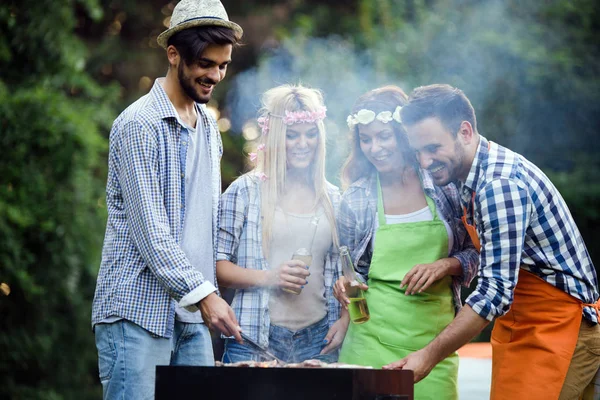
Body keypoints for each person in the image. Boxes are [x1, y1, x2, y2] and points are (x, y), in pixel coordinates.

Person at [388, 83, 600, 400]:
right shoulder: (469, 176)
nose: (424, 161)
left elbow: (495, 291)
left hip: (560, 328)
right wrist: (450, 263)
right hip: (524, 325)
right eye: (417, 151)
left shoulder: (498, 186)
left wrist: (428, 356)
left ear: (465, 131)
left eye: (433, 148)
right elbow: (490, 251)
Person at [91, 0, 243, 398]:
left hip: (192, 317)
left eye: (222, 65)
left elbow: (206, 221)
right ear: (173, 55)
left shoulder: (210, 128)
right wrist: (207, 296)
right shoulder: (137, 125)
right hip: (137, 314)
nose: (215, 75)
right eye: (205, 63)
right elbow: (152, 234)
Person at [333, 86, 479, 400]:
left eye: (384, 136)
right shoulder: (356, 198)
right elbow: (349, 270)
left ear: (404, 134)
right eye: (366, 139)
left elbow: (477, 254)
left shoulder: (446, 187)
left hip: (435, 346)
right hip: (368, 343)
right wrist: (344, 286)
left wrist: (446, 265)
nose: (375, 148)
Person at [216, 84, 348, 363]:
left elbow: (349, 273)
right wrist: (271, 277)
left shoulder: (334, 199)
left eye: (311, 134)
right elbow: (216, 267)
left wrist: (345, 320)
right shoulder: (245, 191)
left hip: (319, 342)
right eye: (292, 135)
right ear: (276, 137)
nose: (303, 144)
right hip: (252, 339)